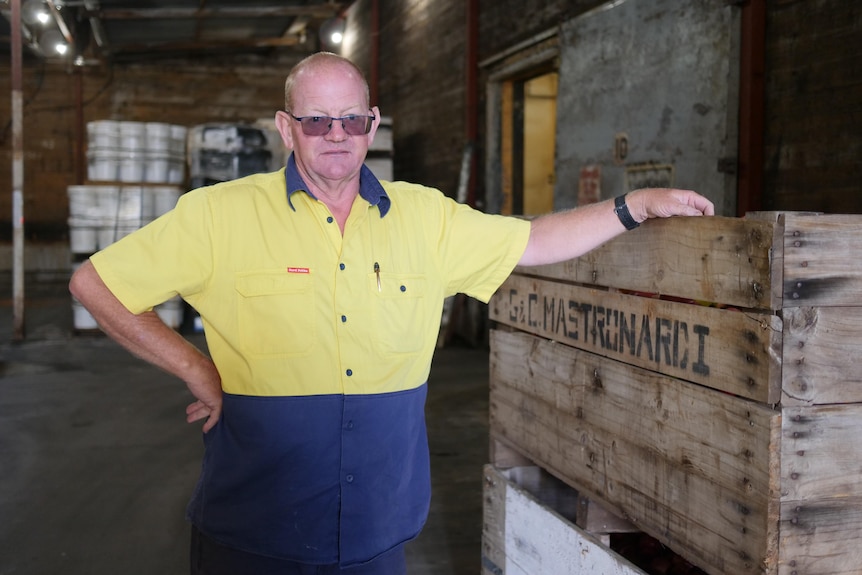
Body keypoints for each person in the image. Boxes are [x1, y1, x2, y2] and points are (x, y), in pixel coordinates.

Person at [69, 51, 714, 575]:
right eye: (316, 121)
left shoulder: (425, 217)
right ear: (286, 127)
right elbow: (96, 283)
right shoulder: (218, 215)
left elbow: (535, 240)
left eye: (351, 119)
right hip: (253, 533)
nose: (336, 135)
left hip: (377, 535)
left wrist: (635, 206)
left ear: (372, 125)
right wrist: (196, 368)